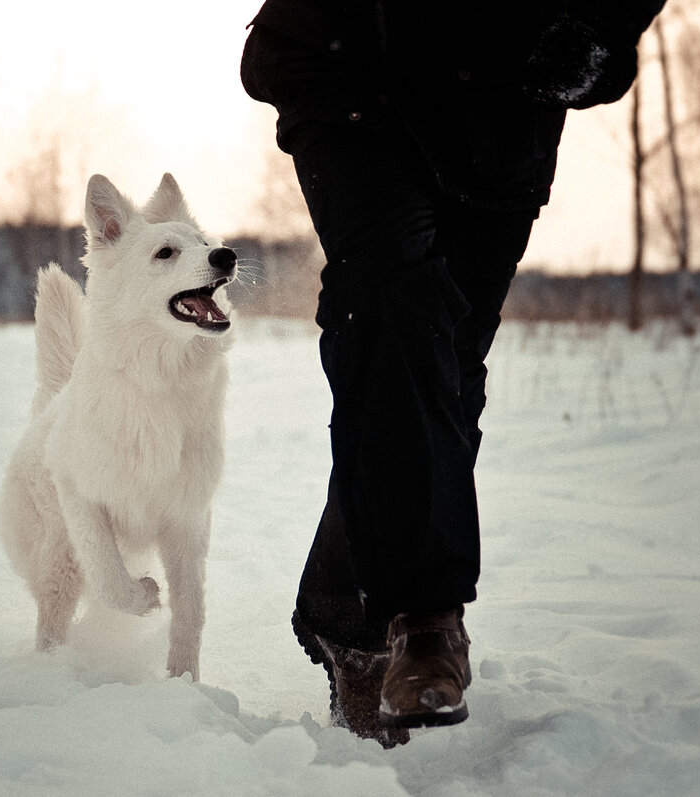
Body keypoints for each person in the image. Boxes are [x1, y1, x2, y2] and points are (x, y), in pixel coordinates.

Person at [241, 0, 666, 747]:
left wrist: (598, 26)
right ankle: (421, 623)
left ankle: (348, 609)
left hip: (502, 97)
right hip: (347, 59)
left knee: (446, 370)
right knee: (390, 305)